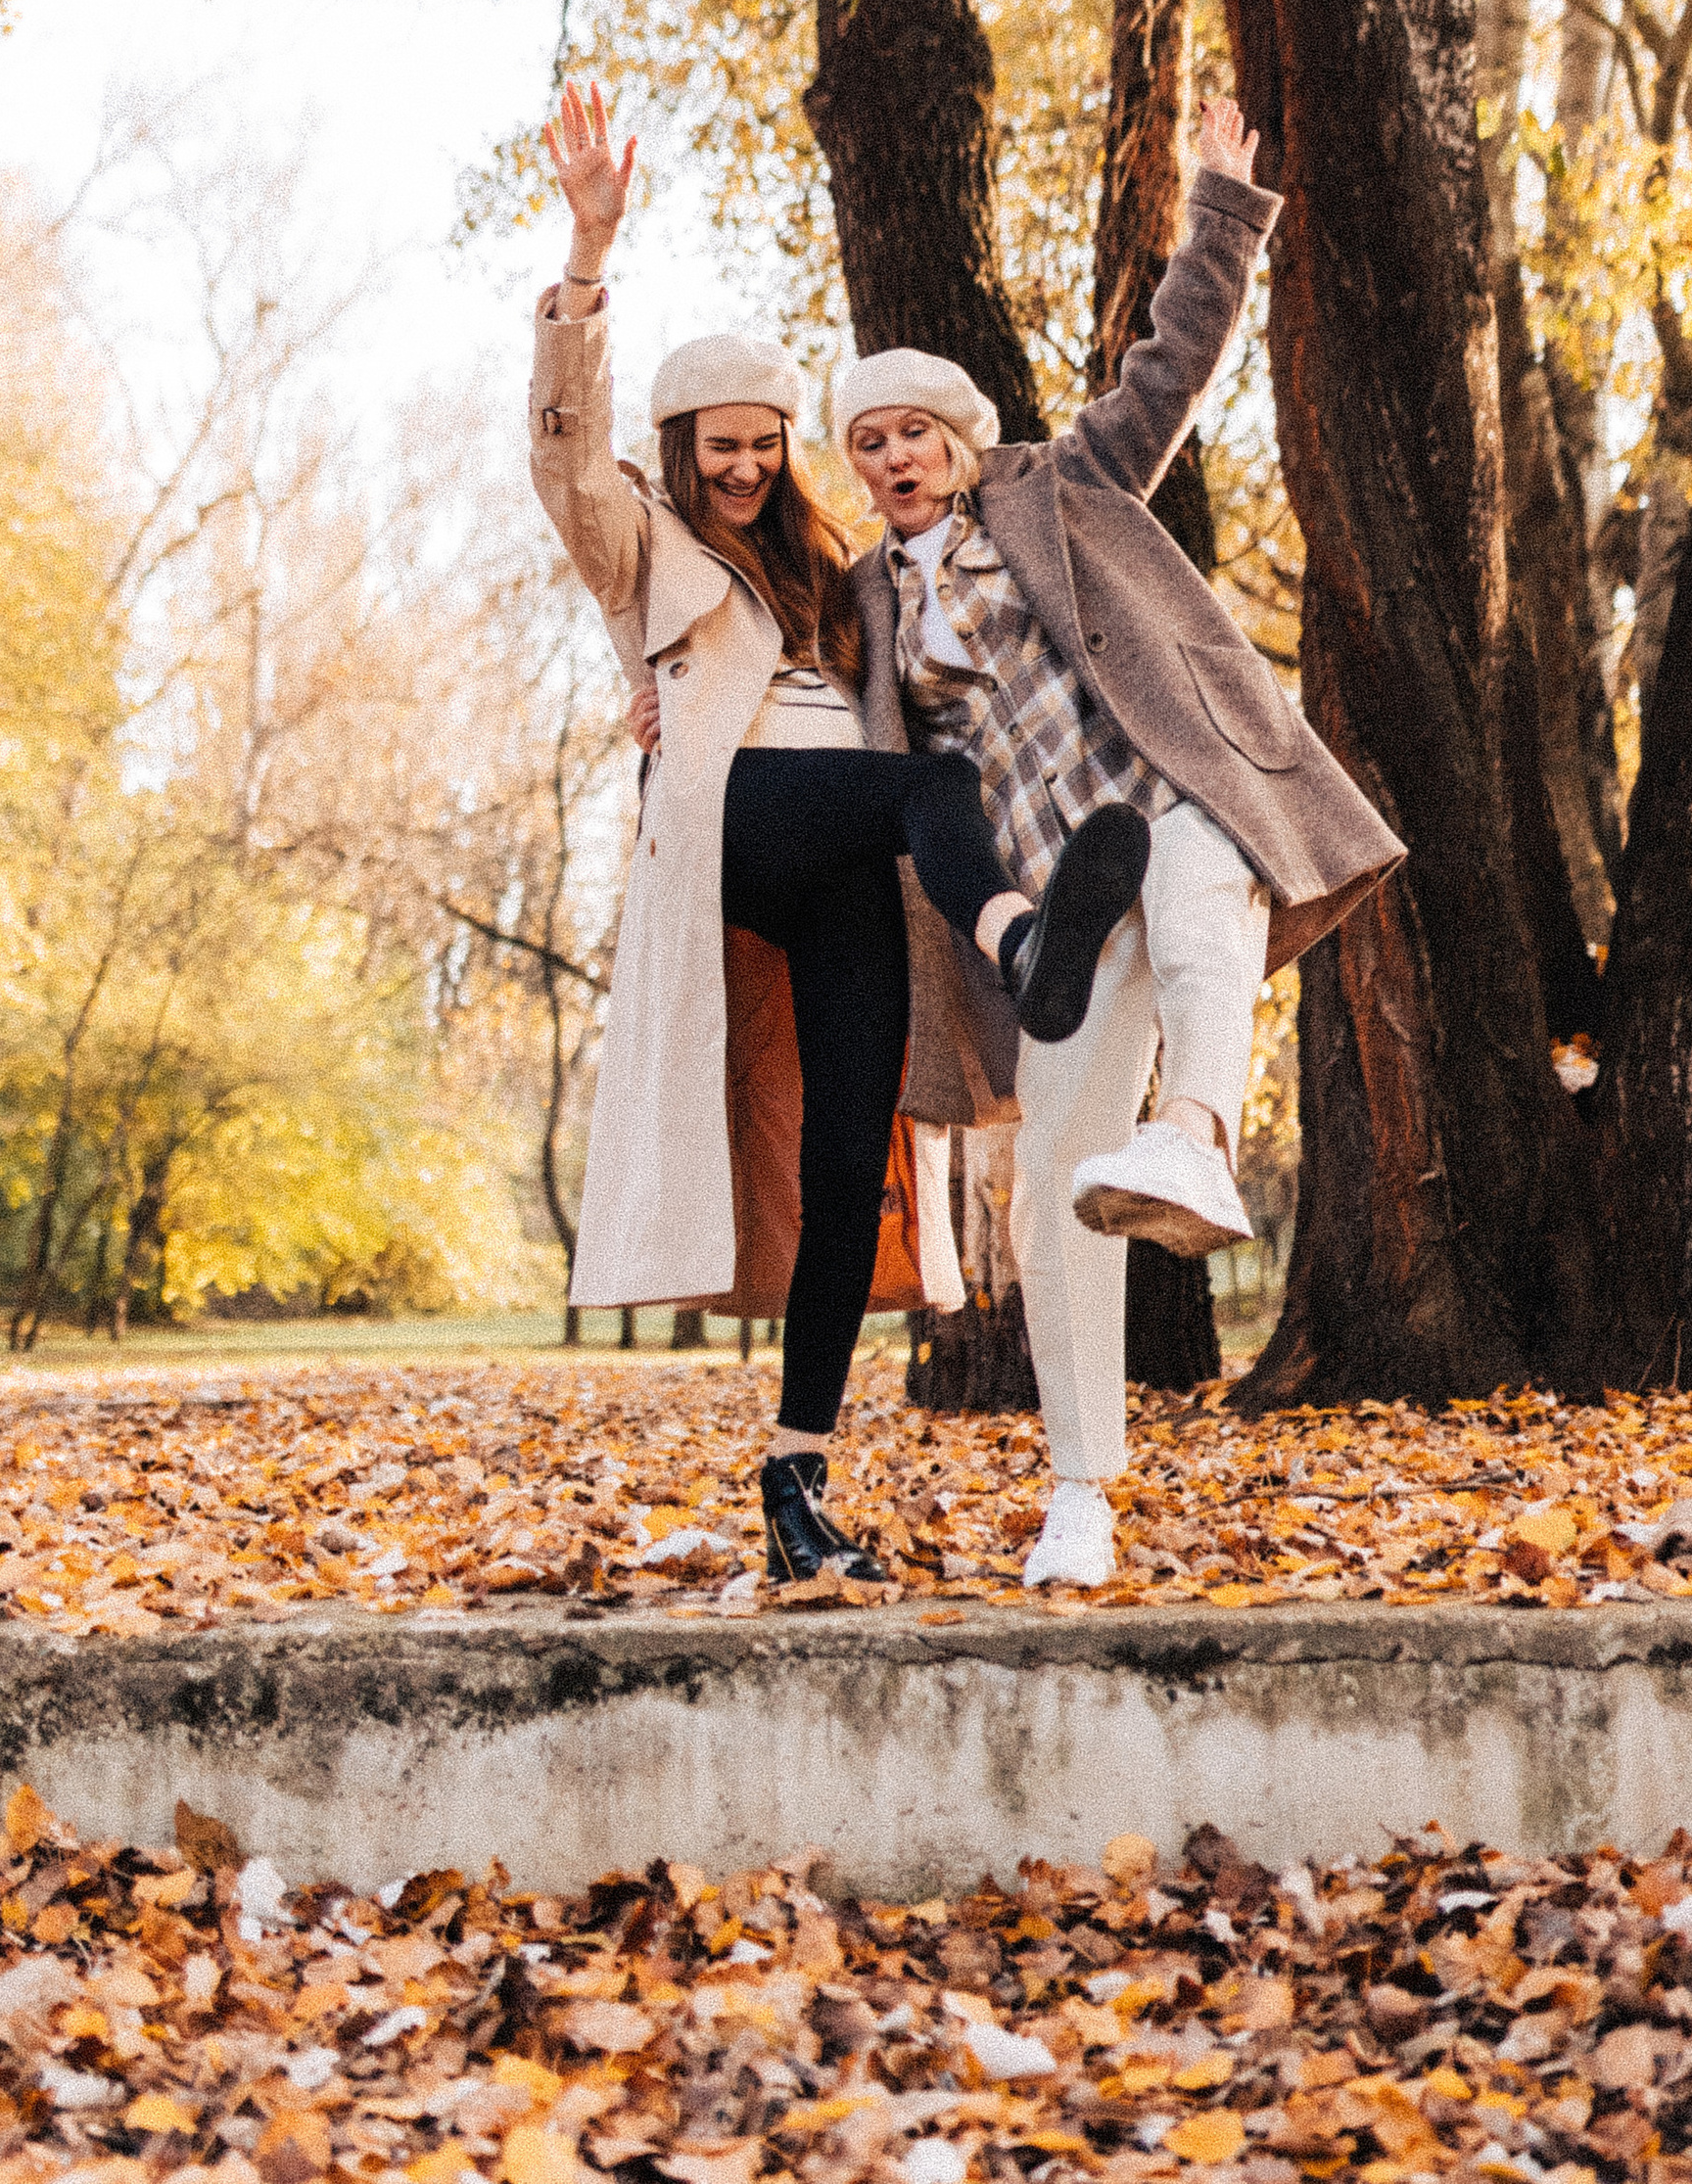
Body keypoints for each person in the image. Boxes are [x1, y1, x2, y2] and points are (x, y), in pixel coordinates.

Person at [530, 78, 1151, 1582]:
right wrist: (588, 257)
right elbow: (563, 447)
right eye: (716, 445)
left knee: (845, 1163)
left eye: (761, 445)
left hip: (850, 872)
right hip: (740, 826)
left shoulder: (840, 573)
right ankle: (1019, 934)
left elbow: (952, 644)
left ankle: (797, 1482)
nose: (741, 467)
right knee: (925, 798)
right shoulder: (642, 541)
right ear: (680, 446)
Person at [831, 96, 1405, 1592]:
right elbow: (760, 671)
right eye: (867, 441)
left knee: (1206, 883)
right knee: (1055, 1190)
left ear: (961, 443)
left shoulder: (1063, 488)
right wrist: (662, 699)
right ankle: (1081, 1489)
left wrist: (1222, 204)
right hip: (1048, 919)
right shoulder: (862, 607)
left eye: (913, 433)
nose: (894, 457)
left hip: (1161, 801)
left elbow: (1176, 367)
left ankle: (1202, 1139)